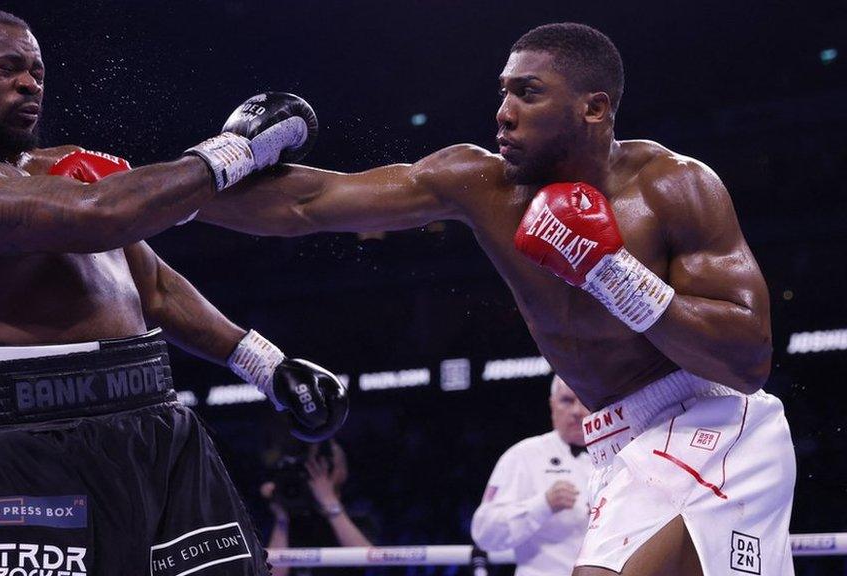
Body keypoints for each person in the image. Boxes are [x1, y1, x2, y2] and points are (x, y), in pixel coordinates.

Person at [199, 22, 795, 576]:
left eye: (528, 94)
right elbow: (308, 202)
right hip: (617, 437)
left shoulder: (674, 186)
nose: (502, 114)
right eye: (504, 92)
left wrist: (610, 272)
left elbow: (748, 361)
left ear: (594, 107)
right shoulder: (480, 184)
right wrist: (171, 183)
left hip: (709, 417)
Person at [0, 7, 347, 576]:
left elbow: (152, 286)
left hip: (154, 427)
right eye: (7, 68)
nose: (29, 82)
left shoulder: (65, 166)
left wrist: (264, 364)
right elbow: (100, 215)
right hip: (28, 445)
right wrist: (235, 150)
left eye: (36, 69)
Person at [472, 375, 591, 576]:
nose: (577, 411)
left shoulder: (622, 454)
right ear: (552, 404)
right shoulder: (524, 456)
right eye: (567, 400)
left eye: (584, 400)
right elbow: (484, 531)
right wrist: (543, 505)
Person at [261, 440, 374, 576]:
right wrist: (281, 519)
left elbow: (368, 560)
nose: (318, 470)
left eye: (325, 463)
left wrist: (330, 503)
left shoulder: (359, 512)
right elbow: (272, 574)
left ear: (341, 471)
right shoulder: (290, 513)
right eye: (311, 464)